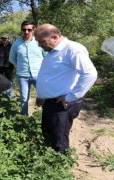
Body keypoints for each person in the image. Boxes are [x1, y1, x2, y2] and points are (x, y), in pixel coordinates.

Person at [34, 24, 97, 153]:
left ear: (55, 37)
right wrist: (42, 95)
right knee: (49, 135)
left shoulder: (73, 49)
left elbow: (90, 74)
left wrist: (71, 97)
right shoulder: (53, 51)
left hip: (62, 104)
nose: (39, 45)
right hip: (51, 102)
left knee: (59, 142)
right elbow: (53, 75)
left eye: (41, 42)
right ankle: (49, 165)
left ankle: (59, 168)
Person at [9, 20, 45, 116]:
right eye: (24, 30)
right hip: (22, 76)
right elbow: (12, 59)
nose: (26, 32)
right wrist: (20, 66)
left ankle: (45, 116)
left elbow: (46, 56)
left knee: (44, 95)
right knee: (24, 98)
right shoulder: (16, 44)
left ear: (34, 30)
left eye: (29, 29)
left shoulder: (39, 42)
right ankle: (24, 118)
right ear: (21, 30)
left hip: (39, 74)